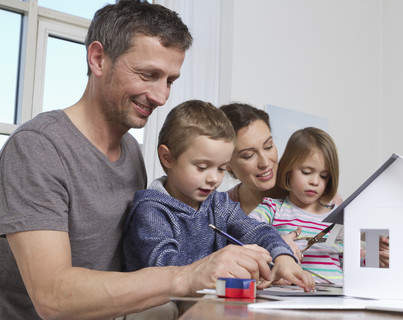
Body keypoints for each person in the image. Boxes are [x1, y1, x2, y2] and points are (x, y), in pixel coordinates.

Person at [0, 2, 282, 319]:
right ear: (98, 59)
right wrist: (188, 275)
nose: (161, 96)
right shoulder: (37, 148)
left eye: (170, 81)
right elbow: (52, 297)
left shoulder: (130, 151)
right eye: (148, 75)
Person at [123, 100, 315, 292]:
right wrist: (225, 260)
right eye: (202, 167)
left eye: (222, 168)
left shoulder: (219, 204)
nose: (214, 178)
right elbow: (163, 269)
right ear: (168, 158)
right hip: (160, 300)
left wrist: (283, 257)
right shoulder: (150, 210)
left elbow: (258, 231)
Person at [248, 127, 344, 285]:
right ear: (288, 171)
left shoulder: (337, 217)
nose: (315, 181)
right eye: (307, 172)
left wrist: (375, 257)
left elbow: (350, 262)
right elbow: (245, 232)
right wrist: (278, 243)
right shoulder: (273, 208)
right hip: (291, 293)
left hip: (336, 295)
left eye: (324, 176)